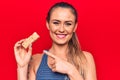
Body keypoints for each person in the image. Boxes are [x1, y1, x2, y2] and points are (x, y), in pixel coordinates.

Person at [14, 2, 97, 80]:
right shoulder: (35, 60)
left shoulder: (85, 59)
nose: (61, 29)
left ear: (75, 27)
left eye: (68, 24)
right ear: (48, 24)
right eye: (56, 23)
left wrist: (71, 71)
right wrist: (22, 67)